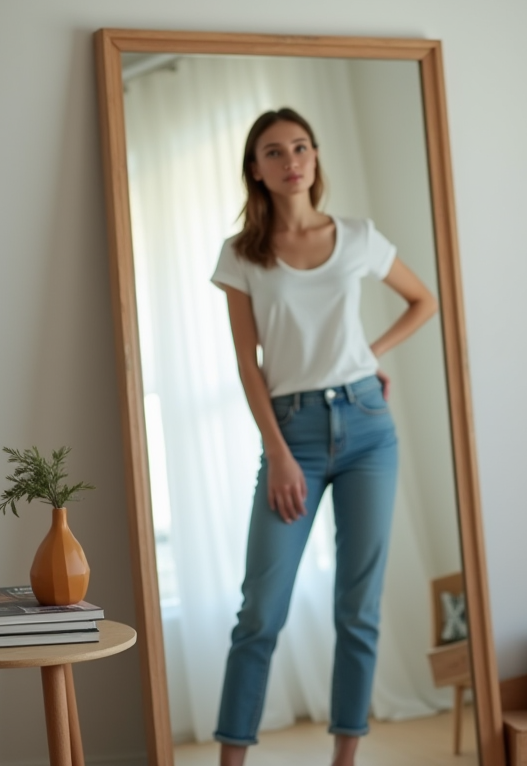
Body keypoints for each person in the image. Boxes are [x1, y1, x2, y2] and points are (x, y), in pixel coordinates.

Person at [210, 107, 438, 766]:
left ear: (314, 157)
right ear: (256, 169)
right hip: (294, 435)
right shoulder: (241, 256)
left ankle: (345, 758)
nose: (291, 160)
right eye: (274, 152)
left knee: (358, 608)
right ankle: (232, 758)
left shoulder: (359, 236)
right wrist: (277, 453)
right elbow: (248, 365)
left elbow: (423, 300)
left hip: (368, 426)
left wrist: (370, 355)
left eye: (300, 147)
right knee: (260, 612)